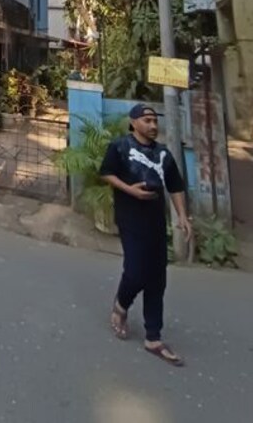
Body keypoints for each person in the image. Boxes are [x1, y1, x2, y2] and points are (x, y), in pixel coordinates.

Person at [99, 103, 193, 366]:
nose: (153, 125)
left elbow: (175, 186)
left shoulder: (163, 153)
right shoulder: (120, 147)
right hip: (130, 218)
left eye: (155, 121)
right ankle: (121, 305)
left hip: (155, 221)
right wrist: (130, 190)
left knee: (157, 278)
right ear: (133, 123)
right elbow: (106, 173)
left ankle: (153, 337)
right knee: (135, 271)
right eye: (147, 120)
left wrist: (182, 216)